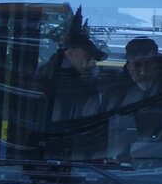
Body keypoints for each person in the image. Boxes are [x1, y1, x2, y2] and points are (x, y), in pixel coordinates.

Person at [39, 15, 109, 158]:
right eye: (88, 58)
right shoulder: (50, 81)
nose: (92, 64)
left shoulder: (83, 82)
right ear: (70, 54)